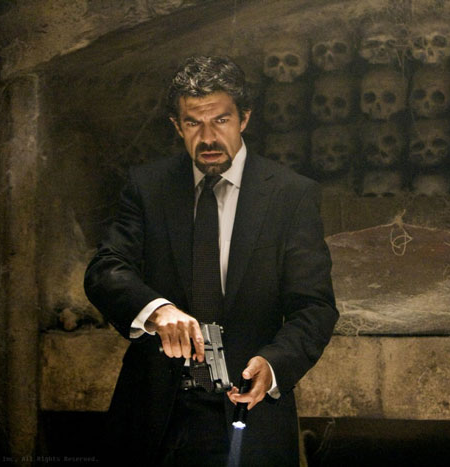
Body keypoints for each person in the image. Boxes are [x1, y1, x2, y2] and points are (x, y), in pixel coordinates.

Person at [84, 55, 338, 466]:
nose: (207, 138)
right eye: (193, 123)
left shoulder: (291, 195)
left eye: (220, 120)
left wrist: (274, 365)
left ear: (244, 118)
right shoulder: (147, 187)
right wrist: (157, 310)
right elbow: (105, 269)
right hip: (152, 416)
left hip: (249, 411)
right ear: (176, 125)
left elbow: (314, 308)